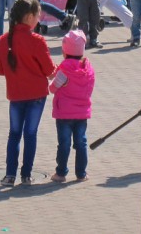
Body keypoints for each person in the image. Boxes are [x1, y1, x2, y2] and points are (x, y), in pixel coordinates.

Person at [0, 0, 56, 186]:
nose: (39, 18)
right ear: (30, 17)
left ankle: (9, 174)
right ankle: (26, 174)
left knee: (14, 133)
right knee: (30, 133)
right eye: (38, 15)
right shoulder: (37, 41)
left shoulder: (4, 40)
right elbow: (49, 70)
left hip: (16, 94)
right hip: (36, 94)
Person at [49, 28, 95, 183]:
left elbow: (53, 88)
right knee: (81, 142)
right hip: (82, 113)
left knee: (64, 143)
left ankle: (61, 173)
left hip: (64, 113)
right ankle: (81, 173)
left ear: (65, 50)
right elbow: (89, 88)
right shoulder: (88, 69)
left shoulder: (64, 69)